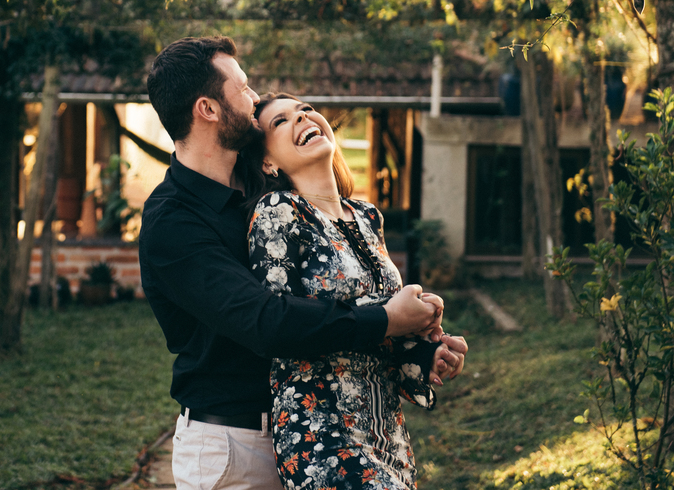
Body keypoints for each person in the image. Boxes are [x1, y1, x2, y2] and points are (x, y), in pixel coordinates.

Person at [140, 37, 467, 490]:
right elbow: (266, 322)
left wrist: (418, 343)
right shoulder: (173, 224)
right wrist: (386, 319)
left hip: (322, 430)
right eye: (243, 88)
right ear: (208, 109)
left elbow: (335, 293)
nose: (254, 100)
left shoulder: (266, 188)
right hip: (234, 444)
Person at [242, 93, 468, 490]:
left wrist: (426, 351)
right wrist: (390, 316)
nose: (302, 117)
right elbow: (281, 324)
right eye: (281, 121)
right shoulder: (278, 211)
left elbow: (380, 332)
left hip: (386, 434)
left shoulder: (366, 218)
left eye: (305, 110)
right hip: (322, 433)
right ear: (267, 162)